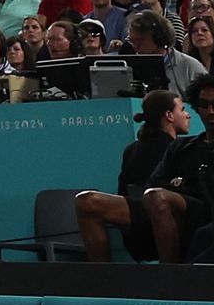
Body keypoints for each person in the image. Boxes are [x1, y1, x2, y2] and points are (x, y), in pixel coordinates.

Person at [77, 90, 192, 263]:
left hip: (144, 230)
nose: (188, 115)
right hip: (153, 228)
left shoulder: (132, 149)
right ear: (169, 115)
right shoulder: (179, 150)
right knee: (85, 200)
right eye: (182, 109)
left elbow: (122, 191)